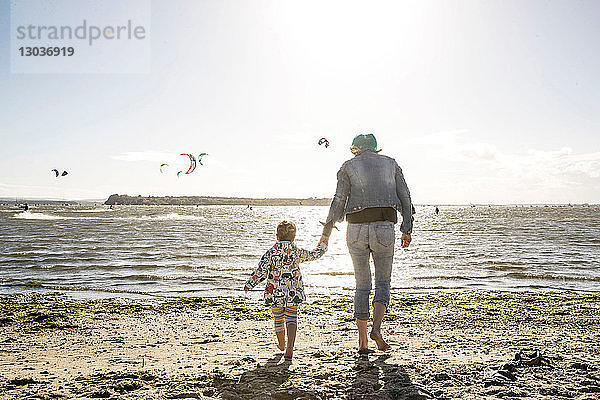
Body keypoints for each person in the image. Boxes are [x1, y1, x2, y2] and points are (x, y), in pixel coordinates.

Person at [320, 133, 413, 354]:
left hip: (355, 229)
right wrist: (406, 230)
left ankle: (362, 343)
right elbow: (406, 198)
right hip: (384, 227)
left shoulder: (347, 166)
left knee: (362, 286)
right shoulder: (391, 164)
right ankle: (377, 330)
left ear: (355, 148)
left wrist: (326, 232)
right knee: (383, 283)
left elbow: (339, 200)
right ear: (375, 148)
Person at [244, 220, 327, 361]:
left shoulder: (271, 252)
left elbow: (261, 271)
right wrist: (323, 245)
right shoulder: (296, 251)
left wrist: (250, 284)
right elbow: (313, 255)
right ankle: (290, 347)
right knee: (291, 319)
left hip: (274, 292)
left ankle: (281, 344)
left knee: (278, 319)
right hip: (293, 292)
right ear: (293, 237)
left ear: (277, 236)